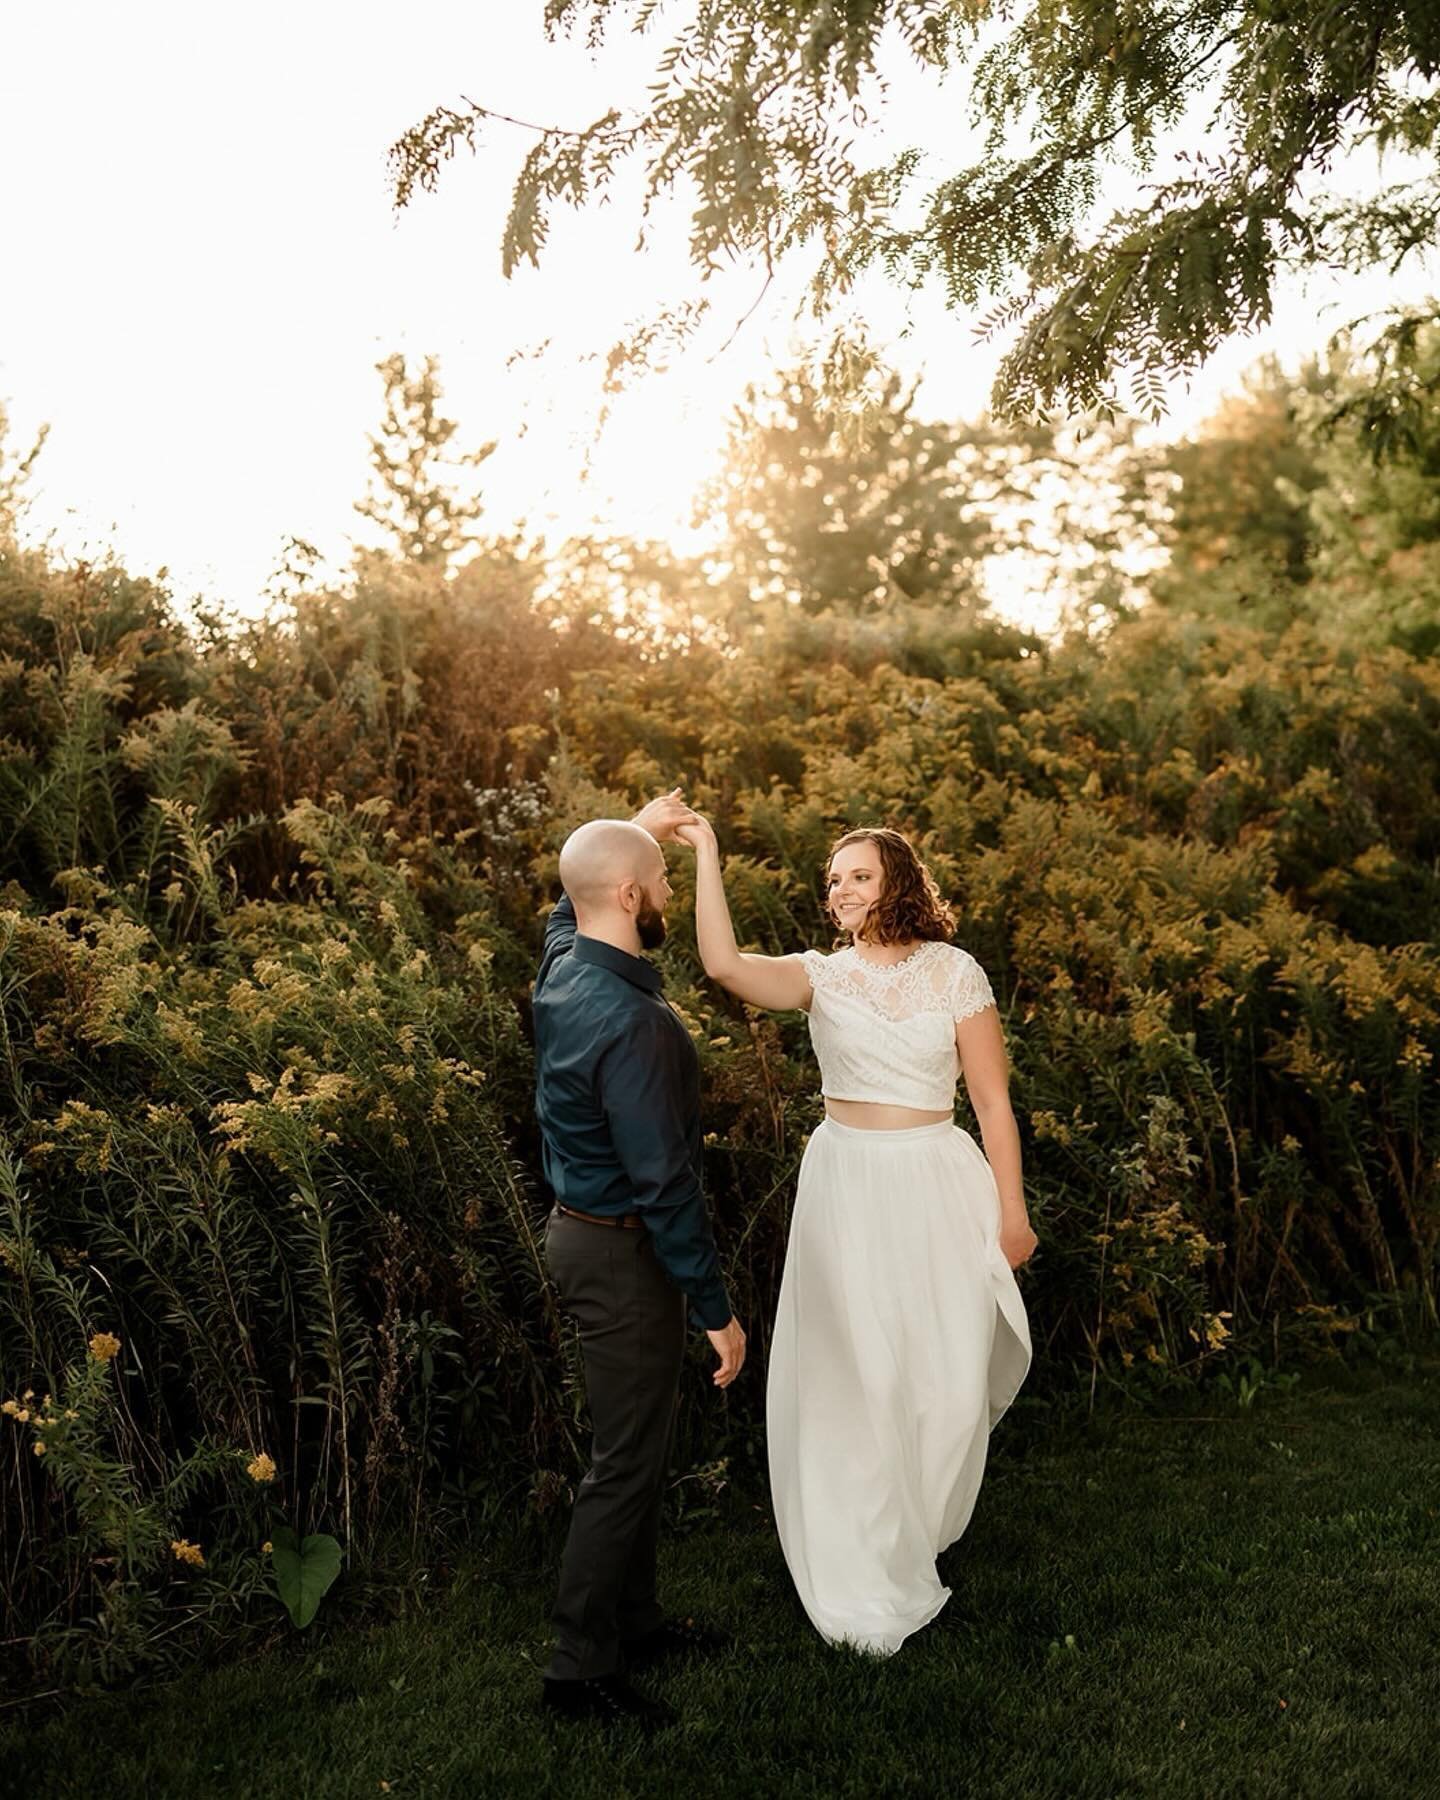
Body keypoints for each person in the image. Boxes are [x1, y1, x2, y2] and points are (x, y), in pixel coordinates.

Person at [674, 815, 1036, 1656]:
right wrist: (708, 857)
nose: (840, 889)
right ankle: (864, 1551)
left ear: (897, 882)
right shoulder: (818, 977)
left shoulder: (956, 973)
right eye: (833, 879)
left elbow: (991, 1104)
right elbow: (724, 966)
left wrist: (1012, 1213)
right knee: (859, 1370)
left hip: (938, 1181)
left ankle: (921, 1522)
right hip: (846, 1183)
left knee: (942, 1379)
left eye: (858, 876)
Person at [532, 789, 747, 1729]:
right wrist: (714, 1307)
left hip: (581, 1236)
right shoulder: (640, 1027)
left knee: (638, 1447)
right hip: (621, 1256)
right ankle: (579, 1671)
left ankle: (638, 1622)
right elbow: (666, 1187)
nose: (665, 895)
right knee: (623, 1462)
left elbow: (564, 902)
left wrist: (636, 830)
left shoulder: (562, 965)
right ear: (628, 897)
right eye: (658, 883)